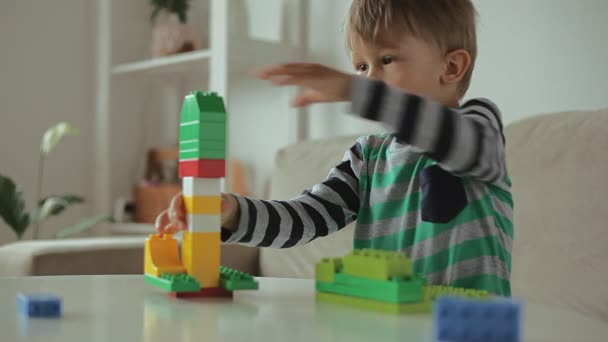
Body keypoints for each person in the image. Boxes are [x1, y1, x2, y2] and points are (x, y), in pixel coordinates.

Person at [156, 0, 513, 296]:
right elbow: (305, 217)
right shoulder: (367, 157)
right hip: (391, 323)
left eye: (386, 60)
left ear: (451, 66)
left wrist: (355, 92)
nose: (369, 77)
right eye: (360, 67)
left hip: (470, 325)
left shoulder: (480, 128)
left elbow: (454, 141)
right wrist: (233, 213)